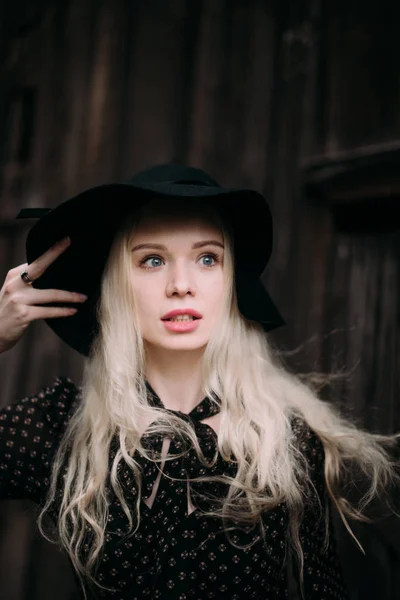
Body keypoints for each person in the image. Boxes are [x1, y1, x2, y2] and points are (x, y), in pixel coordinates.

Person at [0, 164, 398, 600]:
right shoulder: (63, 428)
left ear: (231, 283)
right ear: (118, 284)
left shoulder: (284, 439)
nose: (181, 285)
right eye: (152, 260)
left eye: (207, 259)